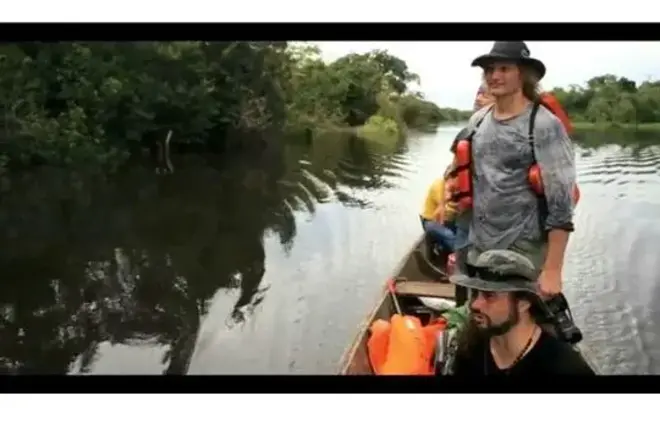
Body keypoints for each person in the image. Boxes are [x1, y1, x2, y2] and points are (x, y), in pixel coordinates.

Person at [455, 41, 576, 303]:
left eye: (504, 69)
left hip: (524, 250)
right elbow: (470, 178)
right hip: (479, 245)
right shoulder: (478, 121)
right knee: (481, 318)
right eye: (489, 69)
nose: (494, 76)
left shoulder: (544, 125)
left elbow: (562, 202)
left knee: (522, 321)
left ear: (523, 74)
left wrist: (553, 269)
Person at [448, 249, 595, 375]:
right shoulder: (470, 348)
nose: (475, 304)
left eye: (489, 296)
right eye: (475, 293)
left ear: (523, 303)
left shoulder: (564, 367)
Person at [420, 164, 458, 255]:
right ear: (450, 177)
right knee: (450, 235)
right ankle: (460, 258)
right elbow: (443, 208)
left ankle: (441, 246)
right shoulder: (439, 185)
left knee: (461, 229)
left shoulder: (452, 189)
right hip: (430, 221)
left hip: (442, 220)